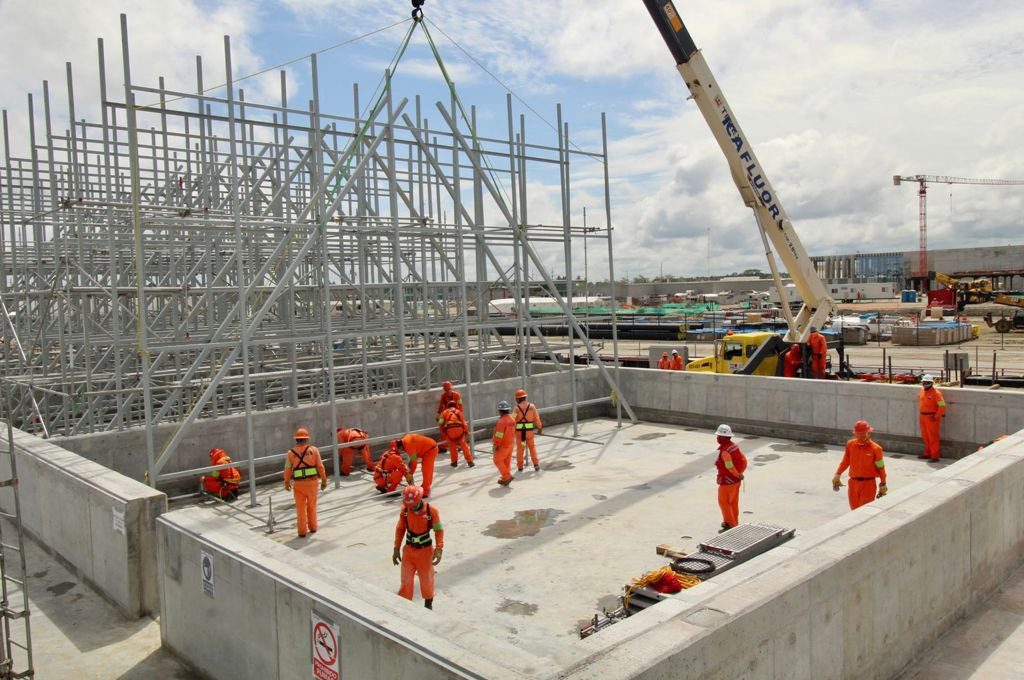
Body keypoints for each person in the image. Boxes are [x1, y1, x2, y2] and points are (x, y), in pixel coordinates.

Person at [393, 485, 443, 609]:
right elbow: (400, 529)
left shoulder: (432, 511)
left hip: (425, 552)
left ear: (420, 499)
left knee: (426, 579)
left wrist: (439, 549)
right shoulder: (405, 510)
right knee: (406, 580)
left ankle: (428, 605)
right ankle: (405, 606)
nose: (412, 508)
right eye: (409, 505)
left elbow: (438, 530)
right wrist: (396, 548)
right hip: (409, 551)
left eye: (413, 505)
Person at [832, 420, 887, 509]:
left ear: (868, 433)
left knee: (863, 511)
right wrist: (837, 474)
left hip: (868, 484)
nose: (860, 436)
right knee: (854, 511)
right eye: (858, 434)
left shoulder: (876, 449)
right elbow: (845, 461)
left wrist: (883, 483)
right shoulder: (850, 444)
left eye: (863, 433)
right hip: (853, 483)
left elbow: (880, 467)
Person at [283, 428, 327, 538]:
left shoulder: (290, 453)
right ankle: (313, 528)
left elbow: (287, 469)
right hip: (312, 483)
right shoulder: (314, 450)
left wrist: (286, 482)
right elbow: (320, 466)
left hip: (299, 484)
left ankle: (302, 532)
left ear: (296, 440)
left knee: (300, 508)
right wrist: (324, 480)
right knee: (311, 506)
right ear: (306, 439)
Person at [714, 424, 747, 533]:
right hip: (736, 481)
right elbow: (743, 460)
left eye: (719, 436)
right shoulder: (733, 446)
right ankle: (735, 522)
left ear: (722, 438)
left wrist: (736, 474)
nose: (717, 438)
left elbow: (729, 466)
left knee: (723, 502)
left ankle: (730, 524)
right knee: (733, 502)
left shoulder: (725, 451)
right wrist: (740, 474)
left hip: (727, 482)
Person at [394, 433, 440, 498]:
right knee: (425, 470)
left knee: (427, 471)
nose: (400, 451)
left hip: (431, 450)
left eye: (399, 450)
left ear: (400, 447)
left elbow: (414, 462)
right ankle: (424, 487)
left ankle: (425, 491)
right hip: (428, 448)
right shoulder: (405, 440)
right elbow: (413, 456)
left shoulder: (408, 446)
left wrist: (410, 474)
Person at [917, 374, 946, 461]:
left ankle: (935, 456)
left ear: (931, 383)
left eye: (927, 382)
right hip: (922, 416)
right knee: (925, 436)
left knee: (933, 437)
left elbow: (942, 406)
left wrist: (937, 416)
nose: (925, 384)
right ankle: (927, 453)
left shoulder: (936, 393)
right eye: (924, 382)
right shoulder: (922, 391)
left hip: (932, 417)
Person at [514, 389, 542, 472]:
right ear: (525, 397)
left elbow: (512, 420)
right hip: (529, 433)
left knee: (520, 449)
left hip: (520, 434)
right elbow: (537, 419)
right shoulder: (532, 406)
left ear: (518, 399)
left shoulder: (517, 409)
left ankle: (520, 467)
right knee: (532, 448)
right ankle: (536, 464)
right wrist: (540, 428)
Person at [492, 400, 516, 486]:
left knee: (497, 460)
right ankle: (505, 478)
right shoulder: (512, 419)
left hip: (503, 444)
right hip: (511, 443)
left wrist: (496, 445)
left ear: (500, 411)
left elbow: (499, 435)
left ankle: (507, 476)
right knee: (506, 461)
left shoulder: (501, 422)